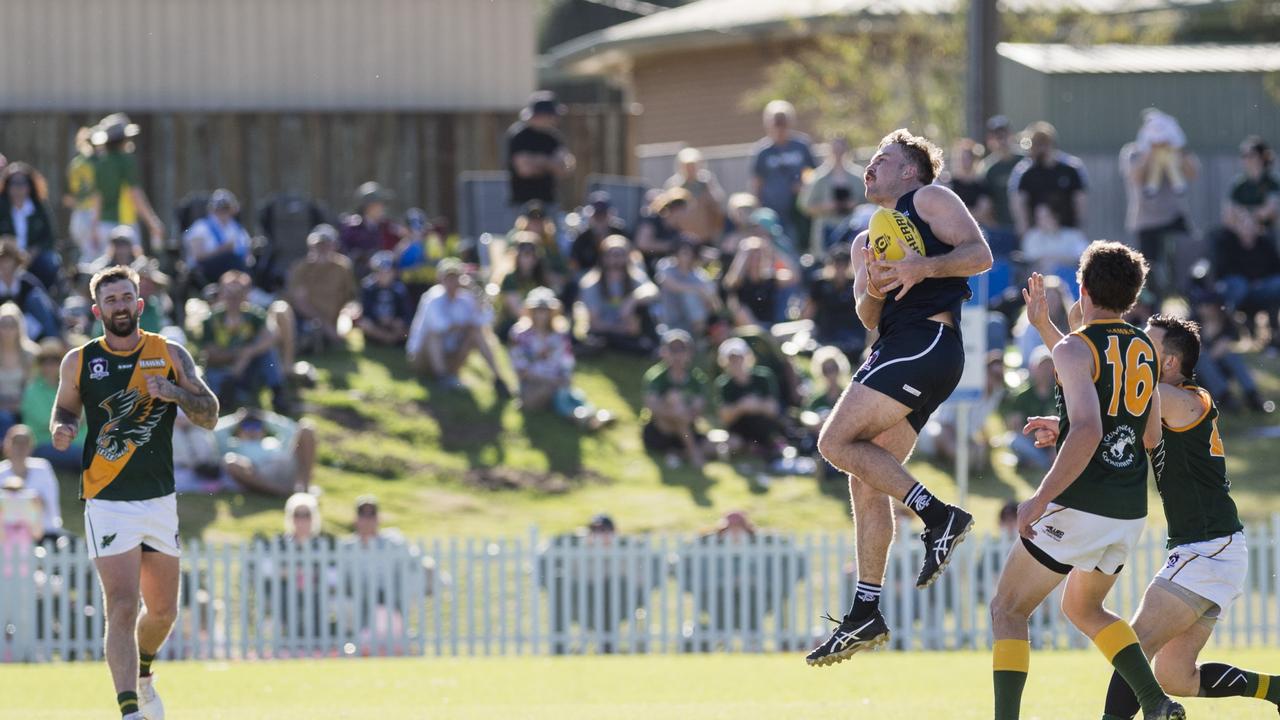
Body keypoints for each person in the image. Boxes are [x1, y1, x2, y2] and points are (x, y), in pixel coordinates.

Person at [1022, 303, 1280, 717]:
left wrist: (1057, 334)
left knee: (1135, 650)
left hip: (1207, 550)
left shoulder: (1185, 400)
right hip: (1213, 549)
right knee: (1176, 676)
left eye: (1148, 343)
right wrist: (1066, 422)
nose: (1136, 347)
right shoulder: (1158, 400)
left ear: (1172, 362)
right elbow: (1113, 401)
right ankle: (1278, 690)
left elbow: (1108, 383)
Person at [807, 129, 992, 667]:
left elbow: (980, 255)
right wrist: (874, 287)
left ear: (909, 170)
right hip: (899, 346)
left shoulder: (928, 198)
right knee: (866, 480)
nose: (870, 167)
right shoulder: (867, 238)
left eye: (882, 159)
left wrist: (923, 268)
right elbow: (868, 317)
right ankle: (866, 610)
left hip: (928, 341)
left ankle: (938, 515)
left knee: (834, 440)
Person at [987, 244, 1182, 720]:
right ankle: (1154, 701)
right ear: (1132, 298)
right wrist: (1043, 330)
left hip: (1080, 505)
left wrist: (1038, 498)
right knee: (1084, 609)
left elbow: (1091, 425)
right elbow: (1149, 432)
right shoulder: (1141, 346)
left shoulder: (1076, 346)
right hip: (1128, 512)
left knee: (1007, 609)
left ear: (1083, 287)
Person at [51, 264, 219, 720]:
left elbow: (211, 413)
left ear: (140, 303)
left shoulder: (168, 352)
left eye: (126, 297)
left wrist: (173, 392)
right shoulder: (80, 360)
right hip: (107, 501)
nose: (120, 306)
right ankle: (129, 711)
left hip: (159, 499)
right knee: (122, 605)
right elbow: (64, 411)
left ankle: (144, 675)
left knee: (163, 613)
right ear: (97, 309)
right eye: (111, 300)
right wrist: (63, 430)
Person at [1121, 110, 1198, 300]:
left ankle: (1189, 299)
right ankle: (1152, 305)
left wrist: (1176, 146)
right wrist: (1149, 151)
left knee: (1187, 260)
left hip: (1174, 215)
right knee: (1148, 270)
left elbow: (1192, 173)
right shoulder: (1132, 152)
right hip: (1146, 219)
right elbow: (1135, 177)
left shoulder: (1175, 152)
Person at [508, 287, 611, 429]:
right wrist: (553, 381)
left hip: (557, 382)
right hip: (532, 385)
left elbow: (566, 361)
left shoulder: (559, 335)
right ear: (530, 311)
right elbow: (521, 370)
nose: (541, 315)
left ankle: (587, 416)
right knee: (553, 392)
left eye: (544, 311)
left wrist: (564, 377)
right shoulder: (520, 335)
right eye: (537, 310)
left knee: (562, 394)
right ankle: (587, 417)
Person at [405, 258, 509, 395]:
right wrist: (464, 325)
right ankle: (442, 378)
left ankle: (498, 379)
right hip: (422, 358)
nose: (452, 282)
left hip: (450, 357)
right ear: (440, 279)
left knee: (476, 332)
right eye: (448, 277)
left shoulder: (465, 299)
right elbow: (440, 326)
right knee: (433, 335)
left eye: (455, 277)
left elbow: (486, 319)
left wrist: (474, 290)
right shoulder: (432, 297)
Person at [200, 271, 287, 414]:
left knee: (268, 353)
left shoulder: (254, 315)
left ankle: (278, 394)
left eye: (239, 293)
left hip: (247, 371)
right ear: (222, 293)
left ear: (246, 295)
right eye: (230, 293)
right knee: (222, 385)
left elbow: (273, 335)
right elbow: (211, 355)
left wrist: (249, 352)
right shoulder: (212, 318)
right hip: (221, 371)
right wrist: (239, 356)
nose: (234, 299)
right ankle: (228, 397)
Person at [89, 113, 165, 250]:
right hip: (125, 224)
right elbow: (135, 194)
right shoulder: (126, 161)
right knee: (129, 269)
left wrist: (94, 227)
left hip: (103, 225)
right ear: (124, 139)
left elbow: (97, 198)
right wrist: (153, 223)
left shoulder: (100, 164)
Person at [715, 338, 790, 471]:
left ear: (747, 357)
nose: (736, 363)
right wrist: (741, 407)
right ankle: (754, 448)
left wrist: (756, 405)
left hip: (763, 425)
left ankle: (768, 446)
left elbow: (773, 409)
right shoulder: (724, 385)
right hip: (739, 428)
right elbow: (724, 417)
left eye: (739, 358)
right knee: (733, 443)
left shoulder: (763, 377)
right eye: (731, 359)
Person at [578, 236, 658, 355]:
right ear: (603, 258)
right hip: (606, 330)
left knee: (643, 308)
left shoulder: (635, 276)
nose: (615, 259)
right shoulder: (591, 283)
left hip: (629, 326)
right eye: (610, 254)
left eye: (620, 254)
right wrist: (620, 328)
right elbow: (595, 323)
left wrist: (632, 300)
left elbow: (653, 291)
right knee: (604, 340)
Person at [642, 329, 709, 468]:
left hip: (685, 432)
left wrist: (681, 414)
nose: (677, 355)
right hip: (660, 431)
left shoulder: (697, 378)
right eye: (672, 349)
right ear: (664, 352)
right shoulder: (656, 377)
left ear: (689, 353)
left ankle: (679, 453)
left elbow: (698, 411)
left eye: (681, 349)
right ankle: (692, 453)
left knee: (728, 443)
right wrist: (676, 413)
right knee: (674, 401)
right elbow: (652, 409)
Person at [751, 100, 817, 240]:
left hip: (799, 208)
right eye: (776, 124)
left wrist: (803, 185)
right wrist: (758, 208)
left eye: (783, 123)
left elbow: (811, 172)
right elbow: (757, 181)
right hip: (773, 208)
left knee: (800, 240)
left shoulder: (801, 146)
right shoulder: (763, 151)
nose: (780, 128)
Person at [286, 224, 358, 352]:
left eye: (327, 245)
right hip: (309, 318)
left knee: (341, 330)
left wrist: (346, 315)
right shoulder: (301, 268)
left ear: (335, 246)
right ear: (311, 246)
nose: (322, 249)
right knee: (306, 332)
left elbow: (350, 298)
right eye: (319, 245)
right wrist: (324, 324)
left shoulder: (343, 266)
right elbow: (300, 302)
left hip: (335, 319)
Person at [1010, 121, 1089, 238]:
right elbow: (1018, 202)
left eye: (1039, 143)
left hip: (1066, 231)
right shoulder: (1025, 172)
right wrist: (1025, 231)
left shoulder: (1070, 169)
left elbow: (1080, 199)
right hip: (1037, 233)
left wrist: (1078, 227)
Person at [215, 408, 317, 497]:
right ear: (238, 431)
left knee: (306, 429)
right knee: (230, 462)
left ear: (264, 430)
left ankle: (305, 488)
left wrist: (264, 416)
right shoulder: (234, 445)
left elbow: (291, 429)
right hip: (260, 474)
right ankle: (281, 492)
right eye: (246, 426)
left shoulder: (273, 441)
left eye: (257, 426)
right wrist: (236, 418)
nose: (252, 430)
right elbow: (215, 432)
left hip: (286, 468)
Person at [506, 91, 575, 209]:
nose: (555, 119)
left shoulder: (554, 137)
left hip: (549, 202)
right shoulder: (519, 136)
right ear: (541, 115)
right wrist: (551, 163)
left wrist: (537, 161)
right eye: (552, 115)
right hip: (522, 203)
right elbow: (525, 170)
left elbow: (566, 168)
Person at [23, 338, 83, 470]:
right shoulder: (32, 390)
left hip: (79, 444)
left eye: (55, 360)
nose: (50, 365)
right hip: (45, 444)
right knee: (87, 457)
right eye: (44, 360)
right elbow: (52, 423)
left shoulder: (74, 386)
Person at [800, 136, 865, 255]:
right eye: (835, 149)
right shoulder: (818, 177)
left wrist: (854, 205)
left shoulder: (858, 176)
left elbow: (869, 203)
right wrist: (825, 206)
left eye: (841, 149)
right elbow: (805, 205)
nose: (838, 153)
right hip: (826, 228)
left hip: (852, 227)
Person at [0, 162, 60, 291]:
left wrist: (34, 251)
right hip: (5, 257)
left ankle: (48, 296)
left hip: (33, 257)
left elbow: (50, 237)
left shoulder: (39, 207)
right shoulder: (2, 207)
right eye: (13, 183)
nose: (18, 188)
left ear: (30, 186)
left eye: (22, 183)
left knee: (50, 262)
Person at [0, 424, 62, 542]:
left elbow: (50, 504)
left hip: (44, 534)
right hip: (6, 538)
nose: (20, 447)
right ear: (7, 445)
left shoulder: (43, 467)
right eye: (16, 442)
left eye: (25, 442)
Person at [803, 243, 864, 359]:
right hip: (825, 333)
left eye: (844, 264)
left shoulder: (857, 284)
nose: (840, 269)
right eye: (836, 264)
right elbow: (809, 311)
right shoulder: (819, 283)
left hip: (852, 336)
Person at [1001, 345, 1057, 470]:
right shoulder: (1022, 396)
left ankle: (1039, 463)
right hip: (1032, 441)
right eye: (1042, 366)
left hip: (1054, 441)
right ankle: (1046, 464)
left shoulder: (1060, 394)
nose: (1045, 370)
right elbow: (1016, 427)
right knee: (1014, 441)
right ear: (1033, 368)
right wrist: (1037, 437)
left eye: (1049, 365)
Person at [181, 189, 252, 283]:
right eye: (219, 208)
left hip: (236, 268)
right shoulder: (201, 227)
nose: (223, 212)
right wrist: (221, 250)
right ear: (212, 209)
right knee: (230, 257)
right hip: (205, 270)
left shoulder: (237, 228)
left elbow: (247, 252)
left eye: (226, 208)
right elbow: (198, 256)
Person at [654, 239, 718, 337]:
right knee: (689, 293)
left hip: (692, 323)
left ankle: (698, 335)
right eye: (683, 252)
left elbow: (713, 304)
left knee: (691, 295)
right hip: (670, 319)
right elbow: (673, 285)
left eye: (690, 252)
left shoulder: (700, 275)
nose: (687, 256)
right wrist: (698, 289)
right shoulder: (666, 266)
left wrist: (705, 296)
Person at [0, 238, 61, 341]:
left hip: (27, 326)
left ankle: (52, 341)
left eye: (8, 261)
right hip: (3, 326)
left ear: (16, 262)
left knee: (35, 298)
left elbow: (47, 304)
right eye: (2, 261)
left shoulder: (26, 281)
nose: (5, 265)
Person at [339, 182, 405, 277]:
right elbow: (346, 254)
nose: (383, 207)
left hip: (386, 279)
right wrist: (366, 257)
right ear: (369, 206)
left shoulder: (388, 227)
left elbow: (400, 245)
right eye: (380, 204)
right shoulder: (352, 228)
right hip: (361, 278)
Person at [494, 234, 551, 340]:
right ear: (517, 256)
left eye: (533, 255)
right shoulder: (509, 278)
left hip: (537, 324)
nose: (529, 259)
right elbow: (517, 311)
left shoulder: (540, 277)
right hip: (511, 326)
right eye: (525, 255)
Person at [664, 147, 726, 243]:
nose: (690, 169)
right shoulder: (674, 185)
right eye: (687, 166)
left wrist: (708, 188)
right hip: (682, 236)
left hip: (704, 234)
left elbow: (717, 202)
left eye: (693, 166)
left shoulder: (705, 183)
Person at [979, 116, 1024, 236]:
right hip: (1003, 229)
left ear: (1012, 135)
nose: (1002, 140)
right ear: (990, 141)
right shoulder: (988, 169)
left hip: (1027, 227)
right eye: (997, 137)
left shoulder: (1025, 162)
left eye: (1004, 135)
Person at [1225, 135, 1278, 234]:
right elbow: (1228, 215)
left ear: (1262, 157)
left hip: (1265, 234)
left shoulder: (1272, 183)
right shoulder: (1239, 184)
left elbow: (1271, 211)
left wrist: (1246, 215)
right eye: (1243, 155)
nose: (1246, 159)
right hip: (1242, 235)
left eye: (1251, 155)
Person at [357, 250, 411, 347]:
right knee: (365, 324)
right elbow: (365, 312)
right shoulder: (368, 287)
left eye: (387, 272)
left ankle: (390, 339)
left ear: (394, 273)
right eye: (379, 272)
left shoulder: (400, 289)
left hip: (393, 325)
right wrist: (379, 319)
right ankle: (389, 339)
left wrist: (393, 321)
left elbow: (406, 314)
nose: (383, 275)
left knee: (405, 328)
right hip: (376, 325)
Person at [65, 127, 103, 262]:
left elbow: (68, 197)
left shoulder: (76, 163)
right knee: (94, 258)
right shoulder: (96, 163)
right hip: (92, 215)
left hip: (78, 215)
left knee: (86, 255)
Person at [568, 192, 627, 278]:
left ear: (610, 215)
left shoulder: (620, 233)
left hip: (618, 277)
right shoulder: (581, 238)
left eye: (603, 215)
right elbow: (574, 265)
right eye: (596, 215)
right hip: (587, 279)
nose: (600, 219)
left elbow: (631, 258)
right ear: (590, 216)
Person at [1021, 204, 1089, 277]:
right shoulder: (1031, 236)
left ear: (1055, 217)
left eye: (1045, 217)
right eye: (1038, 218)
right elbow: (1031, 259)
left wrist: (1054, 259)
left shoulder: (1074, 235)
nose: (1040, 221)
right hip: (1041, 280)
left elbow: (1085, 257)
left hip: (1071, 279)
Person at [0, 302, 36, 439]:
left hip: (24, 407)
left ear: (19, 327)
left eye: (12, 325)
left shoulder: (31, 354)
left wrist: (20, 404)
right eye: (3, 325)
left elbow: (33, 388)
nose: (8, 330)